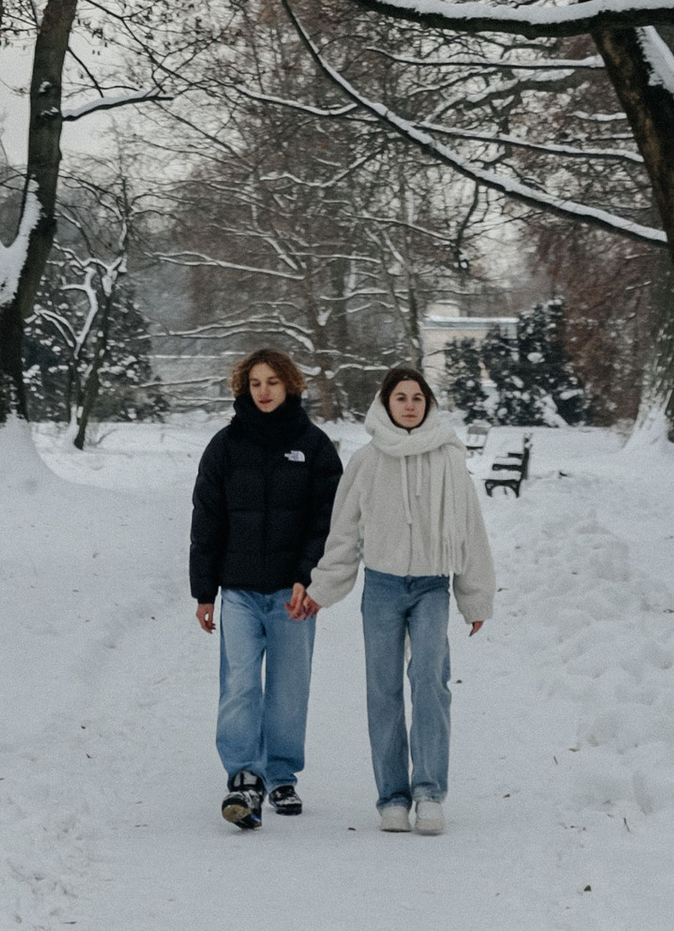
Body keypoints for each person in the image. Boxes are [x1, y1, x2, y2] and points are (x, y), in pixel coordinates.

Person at [307, 362, 494, 834]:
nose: (409, 405)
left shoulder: (449, 458)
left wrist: (474, 597)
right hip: (384, 586)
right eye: (400, 398)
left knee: (430, 684)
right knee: (383, 689)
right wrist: (322, 589)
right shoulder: (368, 461)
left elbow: (470, 530)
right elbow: (344, 532)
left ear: (427, 404)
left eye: (416, 398)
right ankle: (392, 796)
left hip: (433, 585)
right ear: (385, 404)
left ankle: (429, 793)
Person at [188, 344, 344, 831]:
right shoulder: (225, 445)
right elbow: (207, 520)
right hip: (237, 591)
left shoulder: (314, 446)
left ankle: (281, 775)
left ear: (290, 385)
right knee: (238, 686)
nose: (263, 391)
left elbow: (328, 521)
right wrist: (204, 592)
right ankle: (244, 777)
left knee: (288, 688)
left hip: (293, 594)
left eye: (272, 382)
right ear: (243, 388)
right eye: (254, 383)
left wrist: (308, 577)